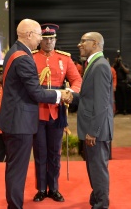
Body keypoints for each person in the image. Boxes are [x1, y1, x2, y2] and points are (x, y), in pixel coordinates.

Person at [0, 18, 72, 209]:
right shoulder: (24, 58)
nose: (41, 39)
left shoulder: (14, 51)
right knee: (17, 170)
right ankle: (14, 206)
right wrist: (59, 94)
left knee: (14, 168)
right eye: (39, 34)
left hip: (14, 120)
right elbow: (36, 92)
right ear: (29, 35)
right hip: (19, 123)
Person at [32, 23, 82, 202]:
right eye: (45, 39)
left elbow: (77, 79)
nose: (48, 43)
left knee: (55, 152)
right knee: (40, 153)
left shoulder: (65, 59)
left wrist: (71, 92)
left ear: (55, 40)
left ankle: (53, 188)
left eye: (51, 39)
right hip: (37, 111)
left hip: (57, 111)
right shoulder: (32, 58)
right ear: (40, 41)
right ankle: (40, 189)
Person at [72, 32, 114, 208]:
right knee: (94, 168)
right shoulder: (94, 64)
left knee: (97, 169)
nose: (79, 45)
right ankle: (97, 199)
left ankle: (101, 204)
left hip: (96, 130)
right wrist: (72, 97)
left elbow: (102, 103)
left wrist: (93, 131)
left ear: (95, 43)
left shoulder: (100, 66)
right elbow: (88, 97)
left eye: (83, 41)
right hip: (93, 129)